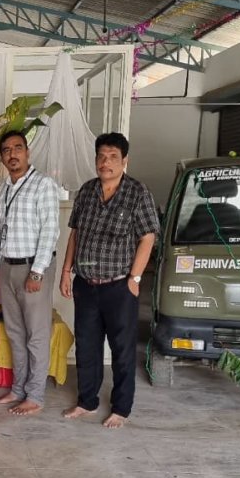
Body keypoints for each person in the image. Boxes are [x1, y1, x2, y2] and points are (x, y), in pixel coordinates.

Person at [60, 132, 159, 429]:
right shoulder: (87, 192)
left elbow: (148, 237)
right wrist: (66, 271)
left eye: (113, 157)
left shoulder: (137, 193)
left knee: (122, 350)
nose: (106, 162)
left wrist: (135, 278)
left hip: (119, 286)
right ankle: (87, 402)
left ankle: (121, 408)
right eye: (101, 156)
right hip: (86, 284)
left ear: (124, 161)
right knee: (87, 346)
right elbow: (75, 233)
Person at [0, 130, 63, 415]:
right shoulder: (3, 190)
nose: (12, 154)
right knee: (15, 332)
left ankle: (35, 395)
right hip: (8, 268)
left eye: (18, 148)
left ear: (27, 152)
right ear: (2, 157)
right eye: (6, 150)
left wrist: (38, 272)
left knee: (36, 334)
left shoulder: (43, 185)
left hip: (33, 268)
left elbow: (50, 232)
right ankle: (18, 389)